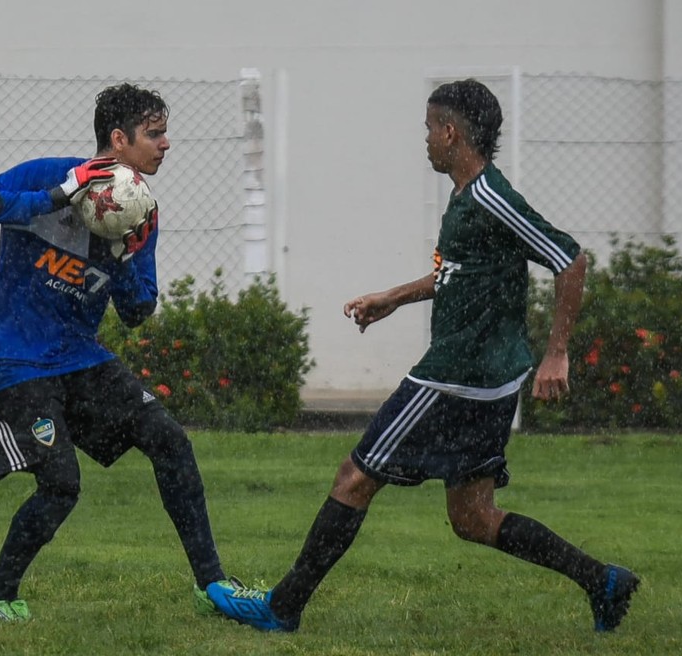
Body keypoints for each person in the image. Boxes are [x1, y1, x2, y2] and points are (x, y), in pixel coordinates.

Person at [207, 78, 639, 633]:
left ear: (451, 132)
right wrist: (393, 297)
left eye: (430, 128)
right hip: (490, 381)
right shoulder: (467, 198)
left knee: (354, 479)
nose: (427, 140)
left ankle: (282, 608)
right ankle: (603, 581)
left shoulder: (489, 197)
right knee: (474, 518)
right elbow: (457, 275)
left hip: (454, 378)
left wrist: (559, 354)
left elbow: (570, 261)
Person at [0, 82, 242, 622]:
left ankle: (212, 584)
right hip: (13, 361)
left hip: (78, 357)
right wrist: (58, 197)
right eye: (154, 134)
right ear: (119, 138)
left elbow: (138, 310)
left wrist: (126, 255)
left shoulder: (140, 211)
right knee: (61, 485)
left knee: (171, 442)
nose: (166, 144)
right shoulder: (49, 176)